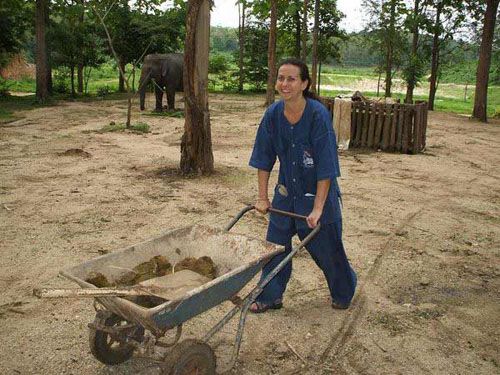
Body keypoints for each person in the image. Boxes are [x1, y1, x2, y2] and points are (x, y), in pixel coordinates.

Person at [248, 58, 357, 313]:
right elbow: (264, 158)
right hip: (286, 192)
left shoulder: (318, 115)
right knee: (275, 247)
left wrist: (318, 208)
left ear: (304, 83)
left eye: (291, 79)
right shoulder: (273, 115)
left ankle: (344, 289)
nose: (284, 84)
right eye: (281, 78)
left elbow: (326, 166)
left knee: (327, 250)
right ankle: (270, 295)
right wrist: (263, 197)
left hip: (319, 193)